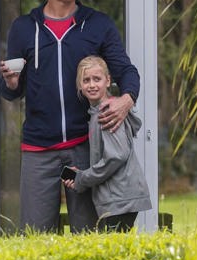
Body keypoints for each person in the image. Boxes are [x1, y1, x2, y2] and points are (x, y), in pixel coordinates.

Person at [0, 0, 140, 233]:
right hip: (39, 150)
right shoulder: (24, 28)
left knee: (88, 234)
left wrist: (126, 100)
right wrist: (11, 82)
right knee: (36, 238)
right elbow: (12, 91)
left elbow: (126, 71)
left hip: (84, 148)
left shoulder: (97, 24)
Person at [62, 56, 152, 232]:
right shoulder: (97, 112)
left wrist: (82, 178)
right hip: (116, 198)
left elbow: (116, 156)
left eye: (97, 79)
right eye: (86, 80)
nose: (92, 85)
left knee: (114, 252)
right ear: (79, 85)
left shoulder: (107, 113)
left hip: (120, 198)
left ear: (108, 81)